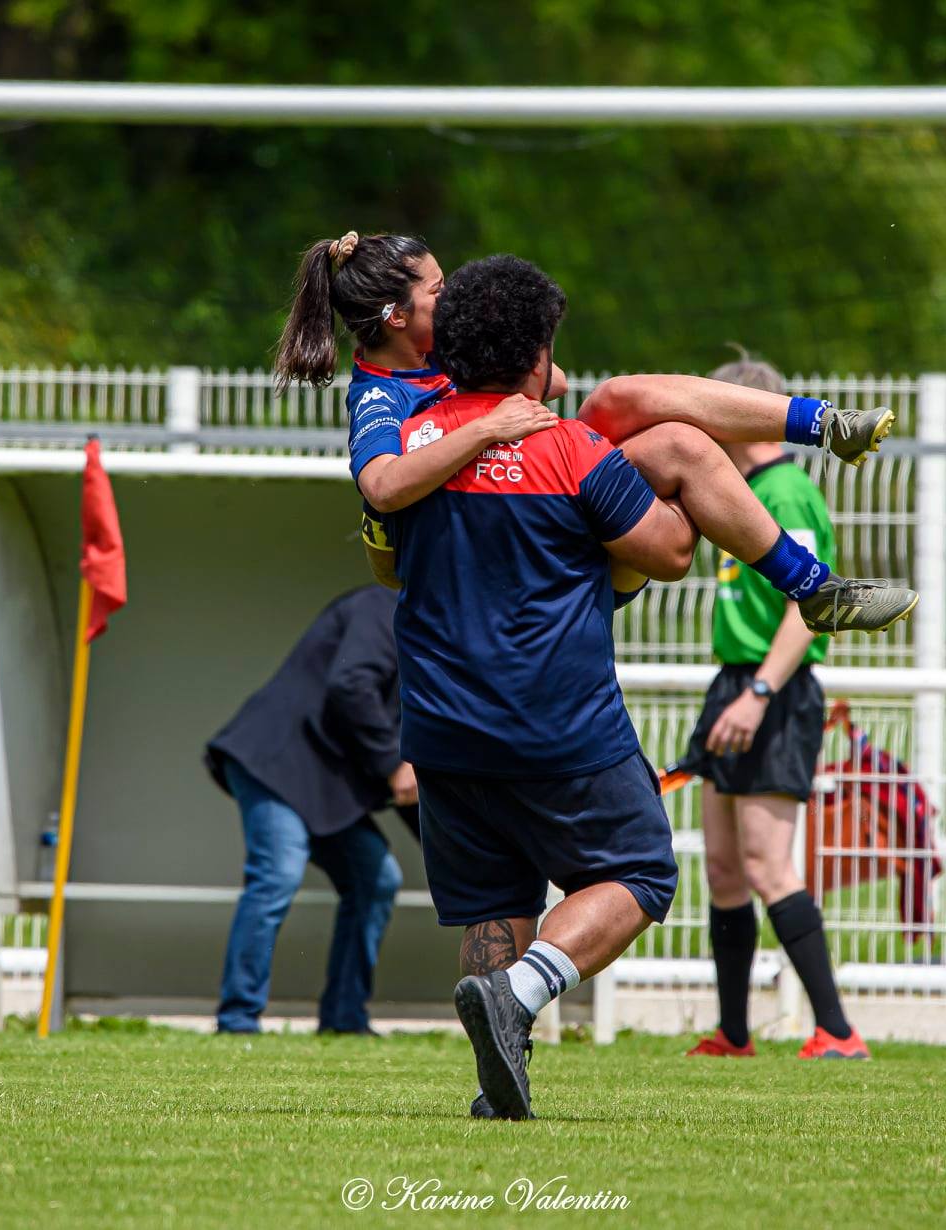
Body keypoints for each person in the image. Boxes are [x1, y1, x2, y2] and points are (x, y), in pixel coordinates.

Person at [366, 253, 705, 1120]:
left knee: (494, 902)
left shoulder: (413, 442)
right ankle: (522, 993)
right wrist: (680, 493)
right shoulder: (571, 448)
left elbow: (386, 559)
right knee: (640, 870)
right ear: (536, 357)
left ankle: (498, 1084)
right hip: (557, 725)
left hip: (443, 730)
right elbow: (669, 553)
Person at [274, 230, 917, 635]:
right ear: (395, 317)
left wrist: (498, 345)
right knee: (657, 453)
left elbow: (549, 382)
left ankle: (821, 482)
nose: (454, 298)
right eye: (441, 291)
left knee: (662, 431)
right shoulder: (379, 396)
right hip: (502, 552)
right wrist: (487, 426)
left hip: (539, 509)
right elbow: (383, 488)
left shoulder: (440, 350)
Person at [673, 353, 869, 1061]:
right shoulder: (741, 488)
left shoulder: (784, 491)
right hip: (735, 684)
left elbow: (810, 607)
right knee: (725, 869)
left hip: (773, 690)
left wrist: (759, 693)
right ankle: (734, 1033)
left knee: (767, 864)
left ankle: (838, 1031)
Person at [203, 585, 413, 1035]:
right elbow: (351, 684)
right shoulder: (383, 605)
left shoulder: (439, 644)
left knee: (377, 880)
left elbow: (411, 783)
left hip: (324, 785)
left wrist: (457, 855)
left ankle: (344, 1020)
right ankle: (237, 1020)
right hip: (276, 760)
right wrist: (391, 764)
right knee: (277, 873)